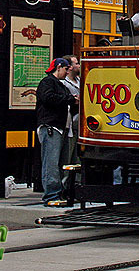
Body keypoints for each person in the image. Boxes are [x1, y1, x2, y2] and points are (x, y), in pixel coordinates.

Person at [36, 58, 76, 205]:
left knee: (61, 163)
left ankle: (59, 193)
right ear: (59, 67)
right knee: (51, 163)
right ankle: (51, 196)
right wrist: (70, 99)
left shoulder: (59, 85)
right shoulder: (47, 82)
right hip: (51, 127)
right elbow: (48, 98)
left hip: (61, 128)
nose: (67, 73)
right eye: (66, 69)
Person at [60, 55, 81, 188]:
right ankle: (64, 187)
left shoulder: (80, 80)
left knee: (77, 158)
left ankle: (77, 186)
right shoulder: (64, 83)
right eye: (76, 63)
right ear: (70, 67)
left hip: (80, 126)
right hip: (70, 125)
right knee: (67, 158)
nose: (79, 65)